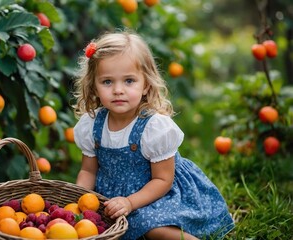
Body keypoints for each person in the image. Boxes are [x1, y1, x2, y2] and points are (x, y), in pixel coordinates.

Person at [72, 30, 235, 240]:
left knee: (150, 227)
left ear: (146, 84)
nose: (118, 90)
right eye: (107, 82)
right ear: (94, 86)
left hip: (156, 194)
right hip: (113, 199)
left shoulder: (153, 127)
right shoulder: (92, 124)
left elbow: (163, 179)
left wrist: (130, 202)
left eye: (129, 81)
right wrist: (76, 201)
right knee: (99, 225)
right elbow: (88, 171)